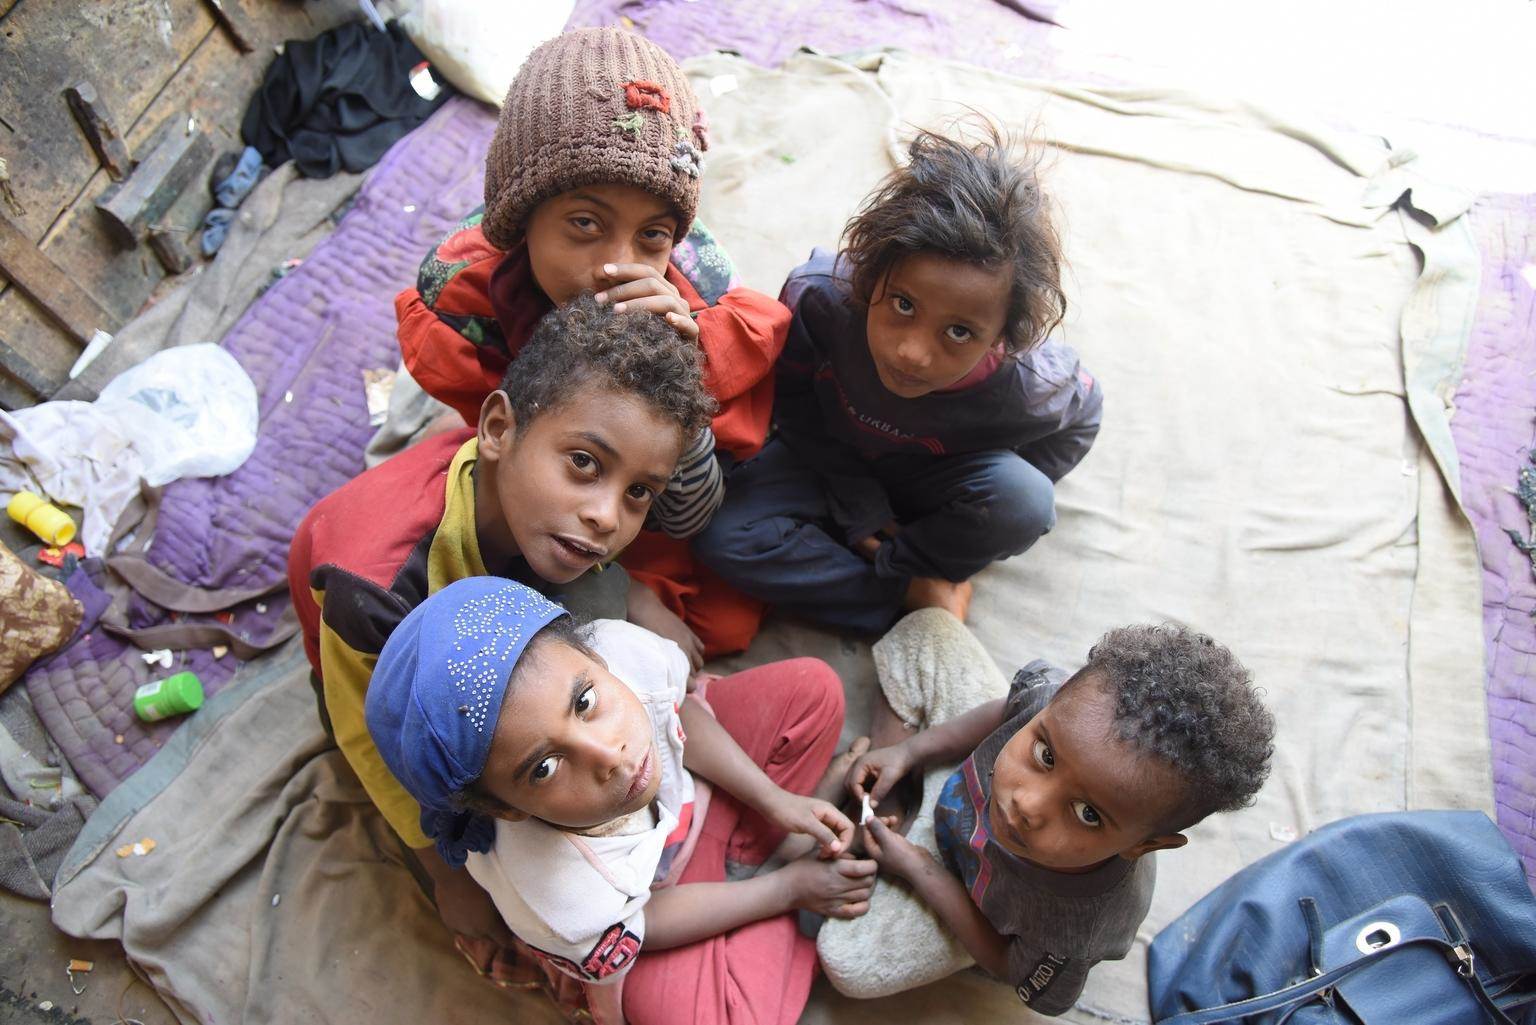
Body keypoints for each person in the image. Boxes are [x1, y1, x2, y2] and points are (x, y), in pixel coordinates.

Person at [288, 295, 717, 945]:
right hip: (387, 666)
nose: (606, 516)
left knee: (601, 644)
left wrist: (635, 594)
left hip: (504, 583)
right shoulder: (376, 589)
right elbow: (370, 733)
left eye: (637, 492)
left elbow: (594, 546)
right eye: (584, 463)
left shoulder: (544, 516)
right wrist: (444, 869)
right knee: (482, 804)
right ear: (496, 430)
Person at [395, 26, 788, 661]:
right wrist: (619, 588)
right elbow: (503, 460)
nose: (616, 266)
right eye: (584, 224)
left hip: (627, 487)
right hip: (555, 482)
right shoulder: (466, 306)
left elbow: (688, 511)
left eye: (652, 237)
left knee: (723, 622)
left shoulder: (695, 308)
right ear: (522, 222)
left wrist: (682, 381)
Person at [366, 576, 877, 1025]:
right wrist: (787, 891)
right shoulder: (555, 897)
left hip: (691, 810)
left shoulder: (619, 651)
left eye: (585, 703)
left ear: (593, 657)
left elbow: (671, 717)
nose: (608, 755)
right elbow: (644, 924)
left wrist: (774, 800)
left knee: (812, 688)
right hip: (654, 900)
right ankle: (769, 878)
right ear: (507, 810)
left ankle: (754, 855)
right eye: (543, 768)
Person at [693, 125, 1103, 633]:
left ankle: (910, 565)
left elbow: (1085, 412)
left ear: (1001, 336)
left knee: (1024, 500)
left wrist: (945, 531)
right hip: (827, 455)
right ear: (870, 275)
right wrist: (859, 502)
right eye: (903, 304)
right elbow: (794, 406)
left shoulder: (1028, 384)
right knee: (722, 535)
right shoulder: (819, 301)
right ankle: (912, 596)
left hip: (936, 479)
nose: (913, 353)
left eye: (959, 332)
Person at [811, 609, 1275, 1013]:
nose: (1027, 805)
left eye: (1088, 814)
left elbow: (1010, 966)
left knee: (847, 963)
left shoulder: (1081, 926)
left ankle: (886, 815)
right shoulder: (1058, 706)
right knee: (926, 632)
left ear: (1144, 845)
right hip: (964, 777)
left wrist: (920, 870)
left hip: (961, 898)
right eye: (1046, 756)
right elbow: (1004, 712)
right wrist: (911, 752)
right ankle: (889, 794)